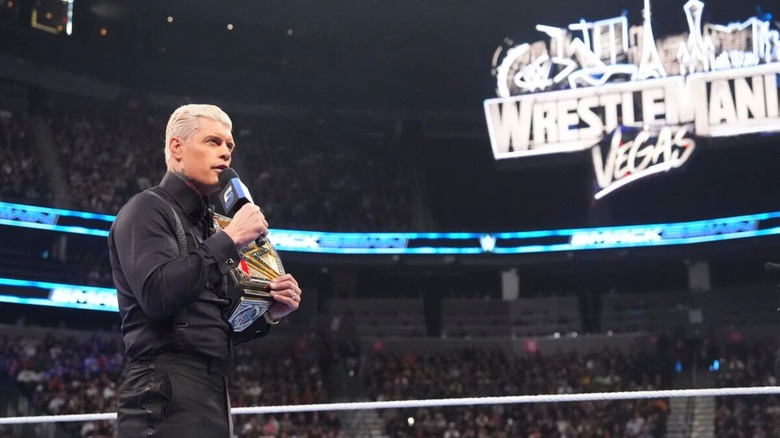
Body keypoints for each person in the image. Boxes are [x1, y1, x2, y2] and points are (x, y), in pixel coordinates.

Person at [108, 104, 302, 437]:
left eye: (229, 146)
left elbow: (216, 328)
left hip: (211, 388)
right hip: (163, 389)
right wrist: (231, 239)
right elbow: (158, 295)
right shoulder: (146, 209)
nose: (226, 153)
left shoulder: (209, 229)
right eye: (213, 142)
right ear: (177, 148)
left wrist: (270, 312)